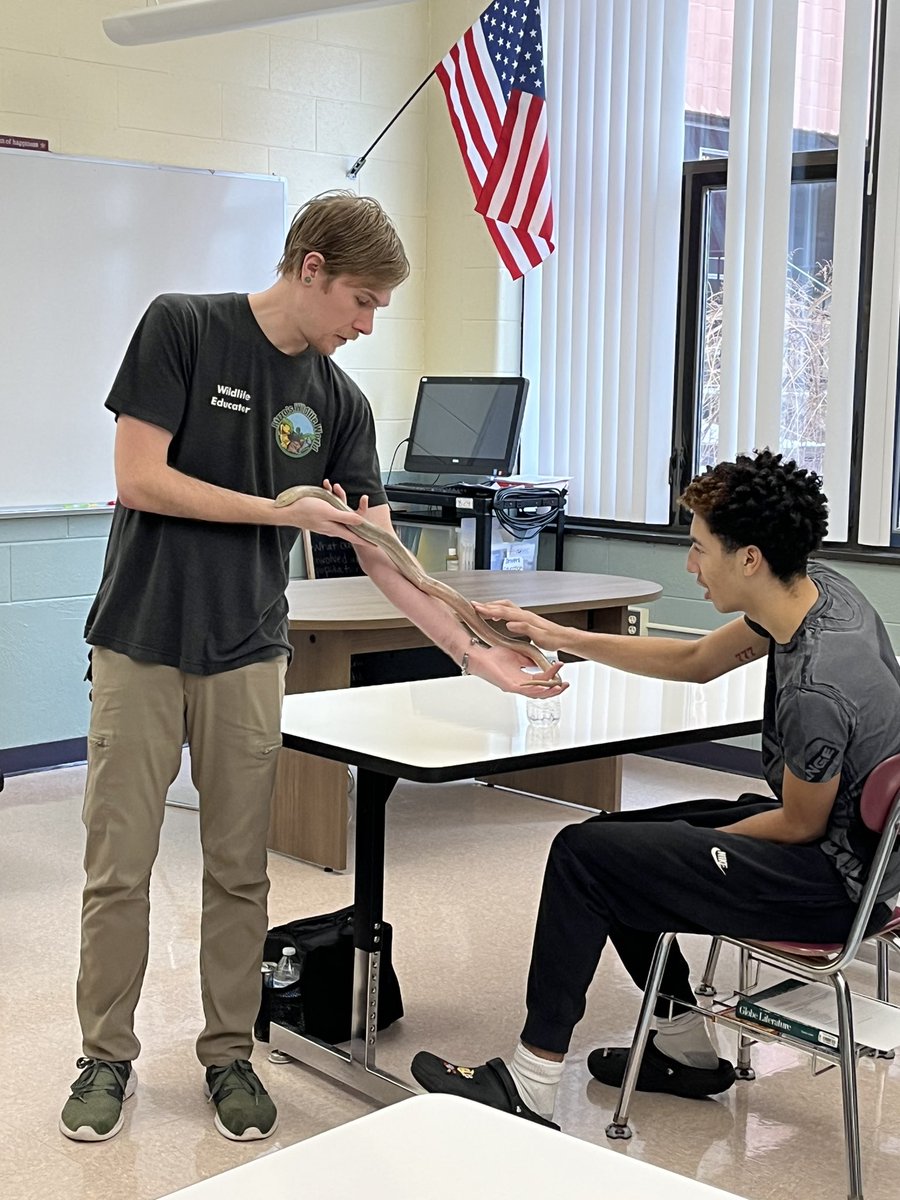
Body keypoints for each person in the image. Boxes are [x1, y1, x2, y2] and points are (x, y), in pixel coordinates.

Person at [60, 191, 563, 1145]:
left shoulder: (338, 400)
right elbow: (139, 477)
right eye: (363, 301)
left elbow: (383, 551)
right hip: (140, 638)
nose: (367, 324)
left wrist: (471, 650)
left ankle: (229, 1054)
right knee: (118, 867)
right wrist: (283, 513)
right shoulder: (184, 326)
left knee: (240, 871)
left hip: (248, 651)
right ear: (311, 267)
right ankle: (106, 1058)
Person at [411, 449, 900, 1128]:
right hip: (852, 855)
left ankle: (530, 1086)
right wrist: (556, 635)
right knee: (617, 842)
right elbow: (698, 661)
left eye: (699, 550)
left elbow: (797, 826)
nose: (689, 566)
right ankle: (685, 1054)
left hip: (832, 888)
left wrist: (685, 844)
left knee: (588, 858)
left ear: (749, 558)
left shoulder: (821, 685)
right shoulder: (819, 592)